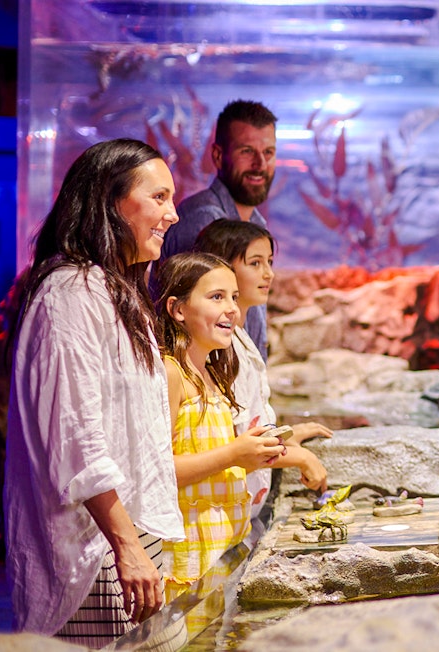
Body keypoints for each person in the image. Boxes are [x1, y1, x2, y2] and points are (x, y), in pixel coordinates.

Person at [4, 139, 185, 646]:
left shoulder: (113, 288)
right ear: (110, 200)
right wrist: (126, 545)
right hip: (91, 551)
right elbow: (74, 436)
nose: (171, 214)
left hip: (128, 535)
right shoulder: (70, 293)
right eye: (159, 197)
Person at [153, 252, 287, 599]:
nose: (232, 309)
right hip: (187, 562)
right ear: (178, 309)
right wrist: (233, 455)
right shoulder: (171, 374)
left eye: (234, 298)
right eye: (216, 297)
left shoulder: (213, 375)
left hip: (222, 553)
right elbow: (160, 472)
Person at [192, 219, 330, 521]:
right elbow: (236, 444)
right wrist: (301, 457)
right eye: (255, 263)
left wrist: (287, 436)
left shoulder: (238, 336)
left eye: (269, 262)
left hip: (243, 510)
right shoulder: (216, 346)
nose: (269, 273)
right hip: (217, 517)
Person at [152, 99, 278, 360]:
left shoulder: (256, 224)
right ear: (219, 156)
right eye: (247, 151)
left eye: (268, 153)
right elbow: (192, 329)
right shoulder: (203, 220)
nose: (260, 164)